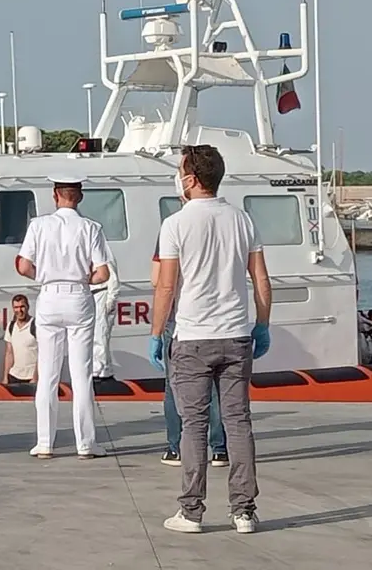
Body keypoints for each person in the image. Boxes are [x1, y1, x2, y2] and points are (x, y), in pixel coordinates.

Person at [151, 144, 272, 535]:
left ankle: (191, 511)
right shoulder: (242, 220)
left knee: (193, 425)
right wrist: (263, 324)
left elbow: (166, 286)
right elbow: (262, 281)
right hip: (236, 335)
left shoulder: (175, 224)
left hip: (192, 339)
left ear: (190, 179)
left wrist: (156, 333)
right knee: (238, 423)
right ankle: (244, 512)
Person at [16, 175, 111, 460]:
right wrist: (84, 279)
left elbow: (22, 266)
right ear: (79, 196)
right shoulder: (91, 227)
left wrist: (44, 276)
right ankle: (86, 444)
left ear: (55, 194)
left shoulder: (38, 225)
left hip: (49, 295)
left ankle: (45, 442)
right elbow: (103, 273)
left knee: (47, 373)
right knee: (82, 375)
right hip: (79, 296)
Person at [150, 242, 227, 468]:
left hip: (182, 318)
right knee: (215, 386)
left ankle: (176, 448)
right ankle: (220, 449)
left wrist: (156, 332)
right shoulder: (228, 224)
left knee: (174, 386)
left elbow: (159, 280)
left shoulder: (173, 228)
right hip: (219, 318)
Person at [91, 260, 119, 381]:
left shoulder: (103, 253)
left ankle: (100, 370)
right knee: (94, 335)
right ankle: (103, 368)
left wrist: (111, 300)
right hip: (91, 295)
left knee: (100, 334)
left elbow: (113, 278)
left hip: (102, 293)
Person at [2, 294, 37, 384]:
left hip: (31, 377)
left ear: (28, 307)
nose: (19, 310)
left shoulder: (36, 325)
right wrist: (5, 377)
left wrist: (35, 377)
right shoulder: (11, 326)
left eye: (22, 307)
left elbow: (42, 354)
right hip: (14, 376)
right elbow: (9, 353)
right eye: (16, 307)